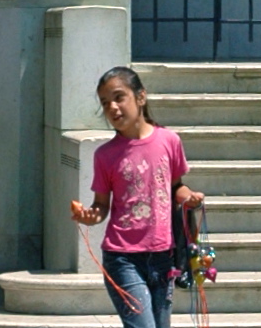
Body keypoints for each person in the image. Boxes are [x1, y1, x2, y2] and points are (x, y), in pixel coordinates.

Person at [71, 67, 203, 328]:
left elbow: (176, 185)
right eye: (105, 103)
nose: (113, 108)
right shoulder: (105, 155)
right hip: (122, 258)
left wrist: (189, 197)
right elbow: (100, 205)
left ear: (141, 97)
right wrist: (89, 216)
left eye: (119, 97)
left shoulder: (169, 140)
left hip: (164, 255)